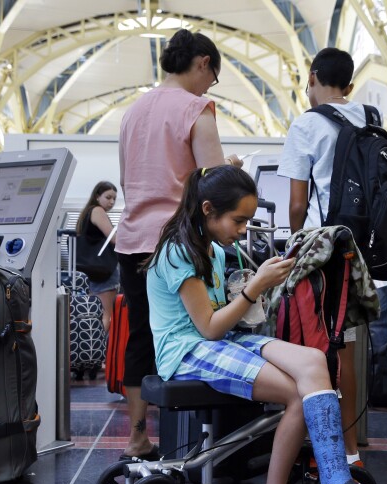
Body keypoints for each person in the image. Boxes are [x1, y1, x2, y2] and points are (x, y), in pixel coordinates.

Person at [146, 165, 387, 484]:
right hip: (186, 351)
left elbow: (224, 322)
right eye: (238, 221)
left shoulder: (214, 251)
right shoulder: (179, 251)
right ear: (208, 209)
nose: (243, 229)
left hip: (219, 341)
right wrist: (254, 288)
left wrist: (258, 289)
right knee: (295, 393)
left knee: (313, 360)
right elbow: (208, 327)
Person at [116, 28, 241, 460]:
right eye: (213, 76)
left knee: (140, 338)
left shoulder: (133, 111)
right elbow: (214, 182)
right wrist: (233, 168)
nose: (211, 87)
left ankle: (137, 437)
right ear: (203, 62)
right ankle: (198, 441)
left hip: (132, 240)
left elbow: (128, 179)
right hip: (177, 244)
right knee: (196, 333)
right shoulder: (196, 108)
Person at [279, 47, 377, 465]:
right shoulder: (370, 118)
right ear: (350, 86)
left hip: (322, 248)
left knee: (316, 346)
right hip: (360, 246)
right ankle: (351, 450)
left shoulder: (306, 124)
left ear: (312, 77)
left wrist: (294, 241)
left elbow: (298, 202)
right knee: (346, 344)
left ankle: (321, 443)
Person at [76, 181, 120, 331]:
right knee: (107, 315)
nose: (112, 202)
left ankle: (94, 347)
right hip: (104, 271)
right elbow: (114, 239)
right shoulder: (97, 211)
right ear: (97, 196)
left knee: (95, 314)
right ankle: (103, 351)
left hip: (90, 270)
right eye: (108, 197)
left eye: (114, 198)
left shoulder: (86, 213)